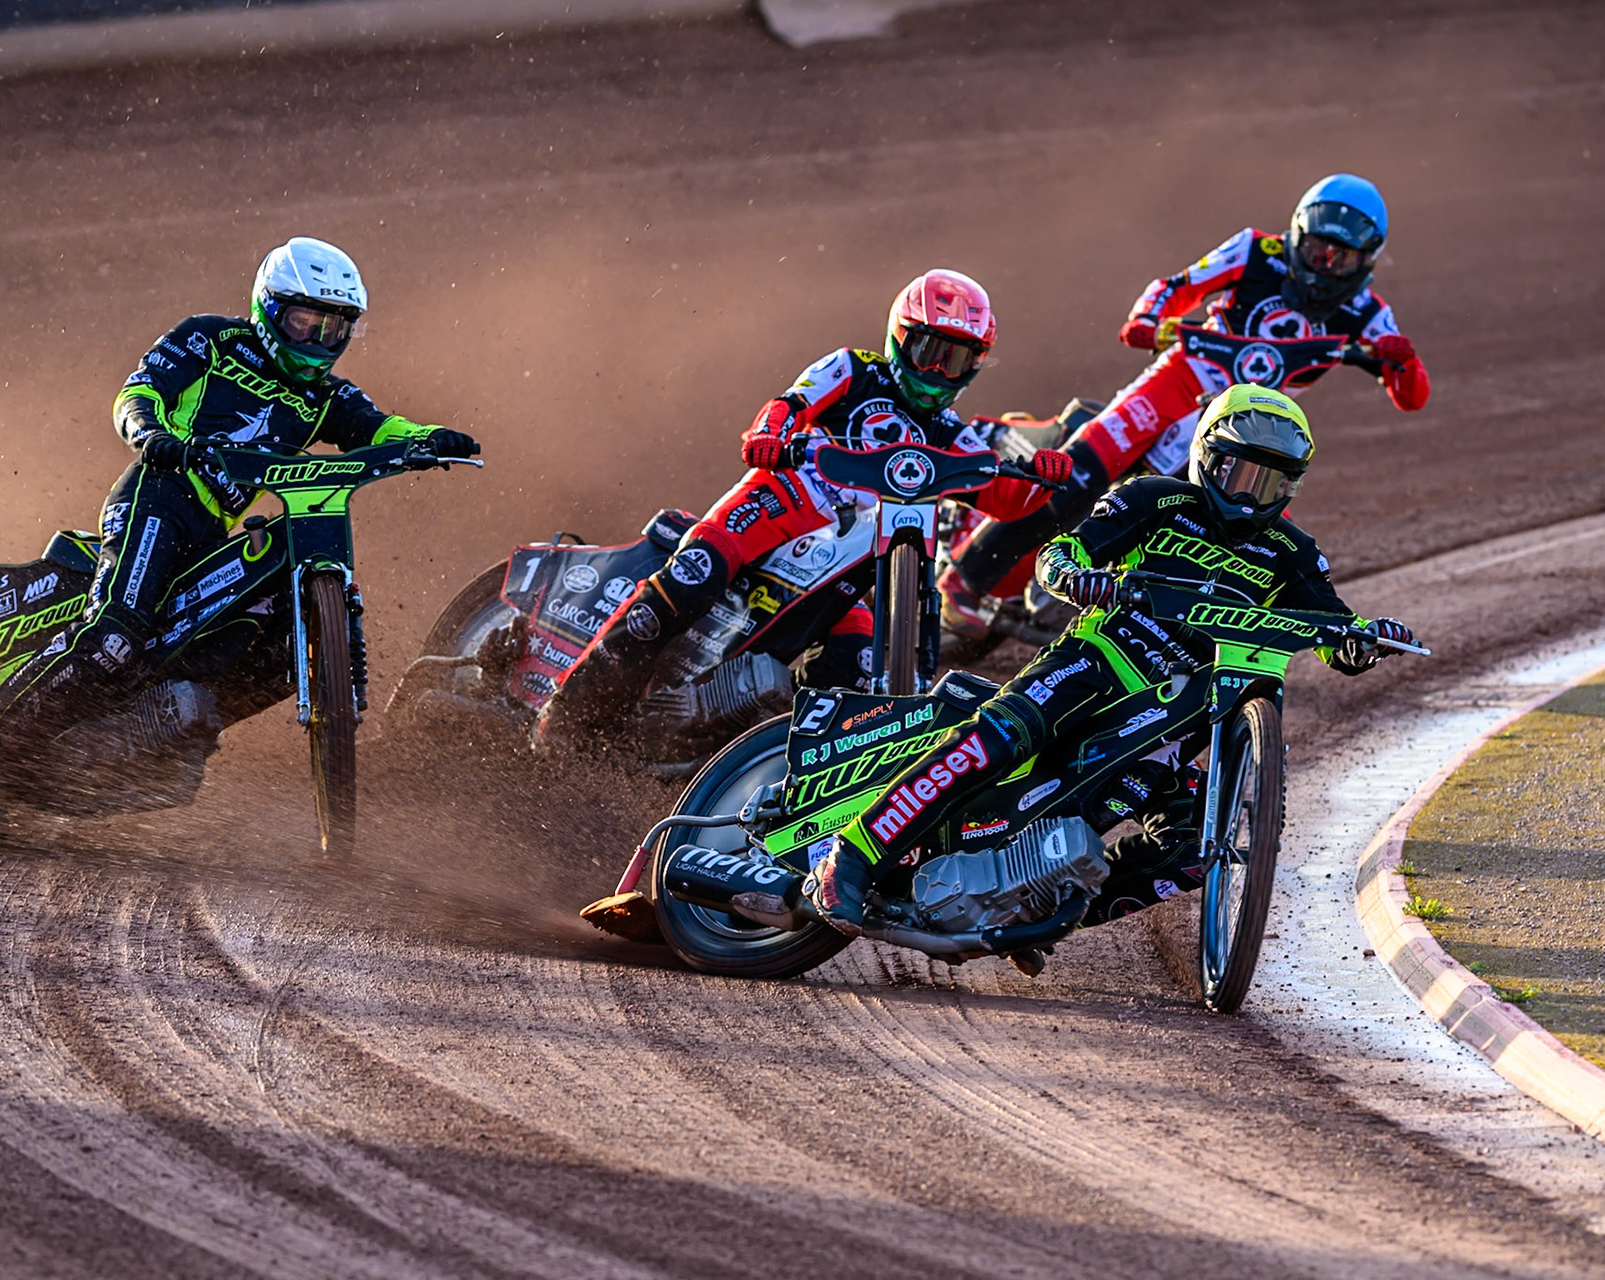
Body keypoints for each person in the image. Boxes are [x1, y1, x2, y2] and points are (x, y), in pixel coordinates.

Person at [810, 383, 1416, 938]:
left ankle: (1041, 908)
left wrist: (1366, 640)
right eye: (1238, 474)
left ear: (1291, 487)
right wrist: (1077, 576)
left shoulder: (1292, 552)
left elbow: (1335, 630)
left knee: (1192, 848)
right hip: (1095, 663)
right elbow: (1062, 553)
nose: (1248, 495)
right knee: (994, 739)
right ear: (1207, 457)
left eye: (1269, 483)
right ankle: (851, 858)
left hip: (1175, 720)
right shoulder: (1154, 498)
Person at [0, 237, 477, 787]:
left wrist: (431, 439)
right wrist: (150, 434)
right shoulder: (210, 338)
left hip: (210, 539)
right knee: (113, 640)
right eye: (304, 322)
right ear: (269, 308)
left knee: (284, 650)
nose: (317, 341)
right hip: (158, 498)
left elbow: (381, 427)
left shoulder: (326, 398)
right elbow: (139, 393)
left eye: (333, 328)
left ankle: (148, 733)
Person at [534, 269, 1075, 749]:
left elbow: (1001, 498)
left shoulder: (950, 433)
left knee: (858, 664)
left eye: (953, 359)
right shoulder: (853, 369)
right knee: (691, 578)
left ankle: (741, 748)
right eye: (929, 349)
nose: (937, 369)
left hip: (851, 555)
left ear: (973, 366)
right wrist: (769, 437)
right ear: (900, 336)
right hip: (780, 501)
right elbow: (791, 404)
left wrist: (1045, 478)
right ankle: (566, 714)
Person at [939, 173, 1429, 637]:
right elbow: (1175, 287)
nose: (1324, 265)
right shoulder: (1255, 250)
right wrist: (1146, 319)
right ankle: (965, 579)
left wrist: (1401, 360)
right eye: (1317, 249)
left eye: (1340, 258)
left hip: (1243, 423)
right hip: (1177, 380)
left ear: (1366, 261)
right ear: (1296, 236)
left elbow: (1413, 396)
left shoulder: (1368, 312)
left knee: (1223, 521)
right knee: (1081, 471)